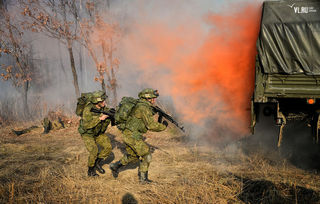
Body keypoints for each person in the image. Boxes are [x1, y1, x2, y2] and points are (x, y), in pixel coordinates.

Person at [109, 88, 168, 184]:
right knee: (146, 154)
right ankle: (143, 180)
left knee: (133, 157)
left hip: (129, 134)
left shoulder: (141, 105)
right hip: (132, 135)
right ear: (147, 98)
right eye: (152, 98)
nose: (154, 100)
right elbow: (151, 125)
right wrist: (163, 126)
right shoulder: (143, 108)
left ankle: (115, 166)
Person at [78, 91, 113, 177]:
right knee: (94, 150)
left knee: (108, 147)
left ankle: (97, 163)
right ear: (97, 102)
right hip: (88, 134)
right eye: (102, 101)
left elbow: (109, 112)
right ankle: (91, 170)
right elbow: (86, 125)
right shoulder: (88, 110)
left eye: (104, 100)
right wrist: (100, 118)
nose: (104, 102)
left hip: (97, 133)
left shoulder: (103, 108)